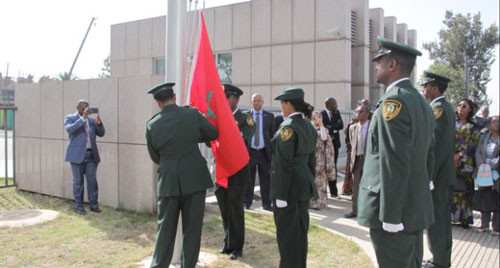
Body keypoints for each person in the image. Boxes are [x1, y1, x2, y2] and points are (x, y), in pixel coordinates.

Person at [357, 36, 435, 268]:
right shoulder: (421, 103)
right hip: (413, 206)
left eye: (379, 61)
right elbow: (428, 154)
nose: (376, 67)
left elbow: (394, 161)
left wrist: (390, 216)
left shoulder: (394, 102)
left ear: (392, 65)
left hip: (394, 214)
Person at [145, 83, 218, 268]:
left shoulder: (152, 124)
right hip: (194, 181)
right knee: (192, 231)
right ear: (174, 97)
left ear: (157, 102)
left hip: (168, 181)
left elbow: (155, 157)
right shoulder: (191, 115)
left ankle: (159, 265)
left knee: (165, 231)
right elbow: (212, 133)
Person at [271, 87, 317, 268]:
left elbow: (283, 164)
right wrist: (310, 184)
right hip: (303, 184)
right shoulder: (308, 126)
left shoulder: (288, 127)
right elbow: (311, 161)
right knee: (300, 232)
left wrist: (281, 195)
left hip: (288, 188)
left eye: (282, 102)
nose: (281, 106)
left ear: (289, 104)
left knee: (287, 235)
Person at [216, 84, 255, 260]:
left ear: (236, 99)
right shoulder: (218, 118)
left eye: (227, 98)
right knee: (224, 209)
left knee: (236, 210)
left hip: (237, 173)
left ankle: (237, 247)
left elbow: (242, 140)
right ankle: (228, 243)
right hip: (221, 172)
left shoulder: (246, 119)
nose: (224, 101)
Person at [421, 71, 456, 268]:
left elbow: (436, 147)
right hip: (443, 175)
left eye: (426, 86)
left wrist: (430, 176)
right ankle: (442, 259)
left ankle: (438, 262)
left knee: (437, 221)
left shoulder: (438, 109)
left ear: (435, 87)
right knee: (442, 220)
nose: (424, 90)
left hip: (439, 177)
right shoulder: (445, 107)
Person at [64, 100, 105, 214]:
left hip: (91, 155)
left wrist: (99, 124)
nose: (86, 110)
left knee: (92, 181)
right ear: (78, 108)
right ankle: (79, 207)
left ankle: (94, 205)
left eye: (87, 108)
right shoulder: (70, 118)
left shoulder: (91, 121)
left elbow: (101, 133)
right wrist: (83, 119)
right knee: (78, 182)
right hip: (77, 156)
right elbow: (70, 129)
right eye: (83, 108)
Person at [451, 98, 480, 229]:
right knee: (451, 188)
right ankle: (451, 217)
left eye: (464, 106)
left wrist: (460, 154)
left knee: (464, 189)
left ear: (470, 110)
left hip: (465, 161)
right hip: (450, 160)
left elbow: (473, 143)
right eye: (459, 105)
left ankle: (464, 218)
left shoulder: (473, 126)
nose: (460, 108)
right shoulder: (451, 123)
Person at [245, 93, 275, 211]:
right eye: (254, 101)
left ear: (262, 102)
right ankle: (247, 202)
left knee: (266, 179)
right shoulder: (245, 115)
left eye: (259, 100)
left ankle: (266, 204)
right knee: (249, 179)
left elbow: (272, 134)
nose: (256, 102)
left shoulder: (269, 116)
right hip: (250, 152)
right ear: (251, 102)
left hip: (264, 152)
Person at [473, 115, 499, 236]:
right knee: (484, 196)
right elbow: (478, 151)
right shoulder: (484, 137)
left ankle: (496, 226)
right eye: (494, 121)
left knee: (497, 197)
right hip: (483, 172)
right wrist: (482, 165)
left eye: (498, 122)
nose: (496, 123)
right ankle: (484, 224)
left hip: (496, 172)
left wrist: (492, 166)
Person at [344, 104, 370, 218]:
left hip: (369, 160)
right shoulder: (352, 127)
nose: (357, 114)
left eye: (360, 112)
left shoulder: (372, 126)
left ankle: (368, 212)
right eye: (356, 112)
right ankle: (355, 210)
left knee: (369, 187)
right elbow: (351, 143)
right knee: (356, 188)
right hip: (357, 161)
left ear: (367, 113)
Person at [309, 111, 335, 210]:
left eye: (319, 117)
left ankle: (320, 203)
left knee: (321, 182)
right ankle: (311, 202)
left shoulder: (324, 129)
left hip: (320, 159)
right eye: (315, 118)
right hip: (311, 158)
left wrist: (321, 125)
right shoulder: (309, 128)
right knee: (312, 182)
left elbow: (324, 137)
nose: (317, 119)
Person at [321, 97, 343, 198]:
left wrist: (331, 127)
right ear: (328, 105)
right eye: (334, 104)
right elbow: (322, 127)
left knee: (333, 166)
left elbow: (341, 125)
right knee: (324, 167)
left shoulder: (336, 113)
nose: (336, 105)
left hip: (335, 144)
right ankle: (323, 190)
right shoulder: (322, 114)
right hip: (325, 145)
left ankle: (334, 192)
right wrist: (333, 127)